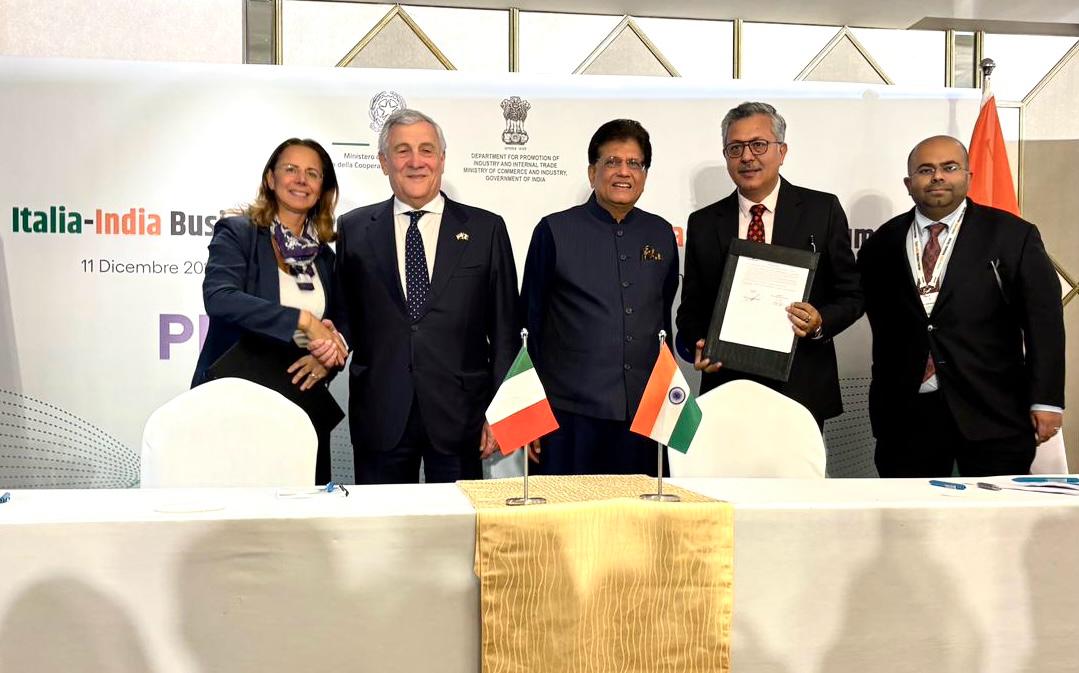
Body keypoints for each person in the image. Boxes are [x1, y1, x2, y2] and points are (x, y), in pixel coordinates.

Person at [318, 109, 518, 484]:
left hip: (461, 417)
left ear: (441, 159)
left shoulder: (486, 229)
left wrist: (501, 410)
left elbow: (506, 330)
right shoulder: (354, 229)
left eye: (426, 150)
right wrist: (326, 340)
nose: (415, 162)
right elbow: (345, 317)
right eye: (402, 150)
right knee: (383, 533)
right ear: (383, 162)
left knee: (459, 534)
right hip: (380, 414)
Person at [858, 135, 1065, 477]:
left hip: (994, 409)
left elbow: (1044, 323)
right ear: (909, 184)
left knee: (995, 523)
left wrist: (1046, 400)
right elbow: (859, 306)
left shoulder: (1013, 235)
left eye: (949, 168)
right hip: (906, 413)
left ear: (968, 177)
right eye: (925, 170)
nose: (937, 177)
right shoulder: (882, 242)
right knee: (910, 523)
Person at [676, 101, 863, 427]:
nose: (747, 157)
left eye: (758, 145)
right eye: (735, 148)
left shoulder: (822, 210)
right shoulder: (705, 223)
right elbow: (691, 309)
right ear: (726, 156)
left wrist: (819, 322)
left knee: (795, 478)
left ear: (782, 150)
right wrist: (700, 345)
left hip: (801, 389)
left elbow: (853, 295)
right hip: (726, 387)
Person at [520, 119, 679, 476]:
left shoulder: (661, 233)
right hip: (568, 419)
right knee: (566, 526)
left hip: (643, 416)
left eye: (634, 163)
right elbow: (529, 327)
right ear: (593, 172)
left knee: (639, 526)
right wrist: (529, 416)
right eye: (612, 162)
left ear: (645, 174)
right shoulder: (554, 230)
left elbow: (661, 318)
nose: (624, 172)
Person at [192, 138, 348, 484]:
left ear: (323, 188)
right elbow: (219, 297)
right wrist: (302, 320)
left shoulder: (325, 257)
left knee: (301, 517)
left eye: (312, 173)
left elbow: (343, 324)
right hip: (237, 395)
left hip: (299, 402)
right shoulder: (239, 232)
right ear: (270, 179)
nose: (301, 180)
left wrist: (326, 359)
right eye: (290, 169)